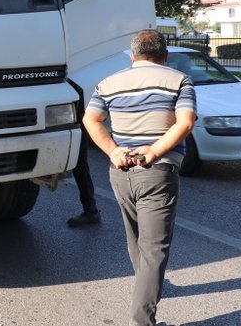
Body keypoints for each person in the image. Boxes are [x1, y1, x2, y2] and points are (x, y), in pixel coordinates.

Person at [82, 29, 196, 326]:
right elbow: (185, 123)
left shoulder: (108, 83)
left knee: (135, 239)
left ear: (133, 56)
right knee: (155, 249)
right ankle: (142, 321)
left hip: (120, 173)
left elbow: (90, 120)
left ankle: (148, 285)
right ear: (165, 55)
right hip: (157, 173)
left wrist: (113, 151)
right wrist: (154, 151)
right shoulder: (179, 81)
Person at [67, 135, 101, 227]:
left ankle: (91, 210)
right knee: (79, 162)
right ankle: (90, 209)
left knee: (79, 162)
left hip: (78, 125)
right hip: (74, 124)